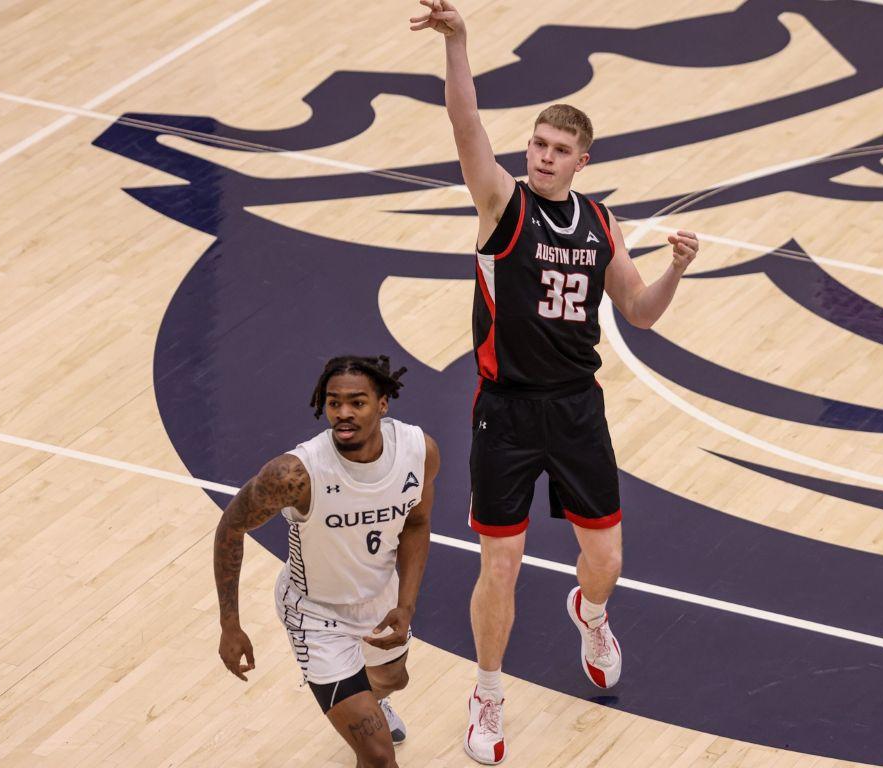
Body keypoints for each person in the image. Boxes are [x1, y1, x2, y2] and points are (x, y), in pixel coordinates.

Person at [410, 2, 701, 763]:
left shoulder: (600, 224)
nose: (542, 156)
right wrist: (459, 44)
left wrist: (674, 268)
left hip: (577, 408)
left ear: (582, 162)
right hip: (504, 412)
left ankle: (591, 614)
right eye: (537, 143)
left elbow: (637, 314)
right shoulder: (501, 206)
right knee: (499, 565)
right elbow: (464, 125)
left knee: (605, 557)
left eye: (558, 148)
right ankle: (488, 694)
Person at [213, 355, 439, 768]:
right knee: (377, 755)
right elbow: (230, 527)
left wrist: (405, 605)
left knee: (393, 679)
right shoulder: (295, 474)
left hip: (379, 597)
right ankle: (364, 711)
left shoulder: (418, 451)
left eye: (357, 402)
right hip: (316, 613)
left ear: (383, 404)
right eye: (334, 403)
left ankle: (372, 702)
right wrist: (230, 623)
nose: (344, 413)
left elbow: (417, 523)